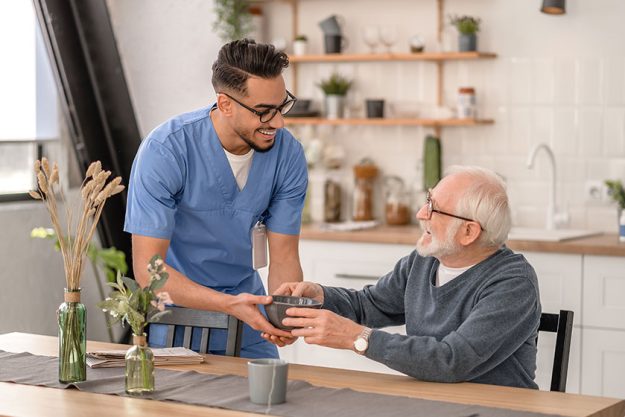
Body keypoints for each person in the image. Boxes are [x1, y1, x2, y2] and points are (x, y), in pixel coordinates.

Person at [269, 166, 542, 388]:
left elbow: (452, 360)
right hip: (429, 400)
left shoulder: (513, 283)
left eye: (434, 208)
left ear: (469, 233)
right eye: (427, 200)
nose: (420, 214)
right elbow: (370, 305)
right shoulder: (423, 262)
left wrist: (357, 338)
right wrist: (320, 295)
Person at [124, 39, 308, 358]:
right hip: (178, 319)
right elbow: (149, 270)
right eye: (264, 112)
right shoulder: (166, 150)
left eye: (282, 106)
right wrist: (229, 306)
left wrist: (283, 312)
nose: (278, 122)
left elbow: (284, 257)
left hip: (252, 317)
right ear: (225, 104)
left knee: (268, 405)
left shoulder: (287, 154)